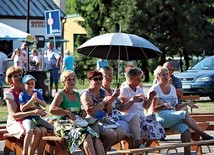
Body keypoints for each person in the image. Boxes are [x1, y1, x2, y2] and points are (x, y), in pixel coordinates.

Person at [148, 65, 213, 155]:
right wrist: (163, 105)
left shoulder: (172, 88)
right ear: (157, 77)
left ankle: (188, 154)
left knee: (186, 131)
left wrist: (186, 103)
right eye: (163, 75)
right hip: (160, 117)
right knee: (184, 114)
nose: (166, 76)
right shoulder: (155, 89)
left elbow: (176, 107)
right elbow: (153, 110)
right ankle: (203, 135)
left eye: (167, 74)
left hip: (172, 115)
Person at [49, 70, 105, 155]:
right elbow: (52, 110)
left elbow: (77, 111)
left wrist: (82, 112)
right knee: (87, 136)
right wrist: (67, 112)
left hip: (77, 123)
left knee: (96, 138)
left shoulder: (76, 94)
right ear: (63, 81)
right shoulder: (60, 94)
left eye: (73, 79)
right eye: (69, 80)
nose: (72, 81)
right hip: (63, 124)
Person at [4, 66, 48, 155]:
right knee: (35, 131)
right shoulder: (9, 94)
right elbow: (14, 115)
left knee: (43, 130)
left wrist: (40, 110)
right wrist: (32, 112)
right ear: (10, 80)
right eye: (15, 76)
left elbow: (36, 105)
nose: (19, 77)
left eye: (20, 75)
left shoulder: (26, 90)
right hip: (15, 122)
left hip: (30, 119)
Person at [118, 67, 166, 147]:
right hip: (130, 118)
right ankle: (139, 147)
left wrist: (150, 98)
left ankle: (144, 148)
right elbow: (122, 109)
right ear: (130, 78)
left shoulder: (139, 89)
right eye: (138, 79)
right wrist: (132, 100)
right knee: (148, 127)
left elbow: (145, 106)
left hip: (141, 117)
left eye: (141, 78)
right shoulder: (124, 90)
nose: (140, 81)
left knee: (157, 126)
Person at [80, 70, 125, 152]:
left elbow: (108, 110)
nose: (99, 81)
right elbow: (90, 111)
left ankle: (102, 151)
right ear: (89, 81)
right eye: (95, 79)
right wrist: (102, 103)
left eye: (100, 78)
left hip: (104, 119)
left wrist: (113, 98)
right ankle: (99, 152)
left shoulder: (103, 92)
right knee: (112, 134)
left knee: (122, 133)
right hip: (93, 121)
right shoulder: (86, 94)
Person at [18, 74, 53, 155]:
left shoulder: (36, 93)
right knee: (29, 131)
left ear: (34, 84)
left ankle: (50, 151)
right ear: (24, 85)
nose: (30, 85)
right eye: (28, 83)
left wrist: (37, 99)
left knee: (51, 129)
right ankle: (25, 152)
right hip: (27, 118)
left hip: (37, 118)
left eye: (32, 83)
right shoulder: (22, 94)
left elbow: (44, 104)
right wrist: (31, 100)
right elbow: (22, 109)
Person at [99, 66, 126, 141]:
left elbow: (120, 108)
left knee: (134, 120)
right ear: (101, 76)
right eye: (107, 75)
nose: (110, 77)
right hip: (108, 119)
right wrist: (113, 97)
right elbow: (107, 110)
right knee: (126, 129)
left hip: (118, 116)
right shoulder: (100, 91)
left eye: (111, 75)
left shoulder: (113, 90)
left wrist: (132, 100)